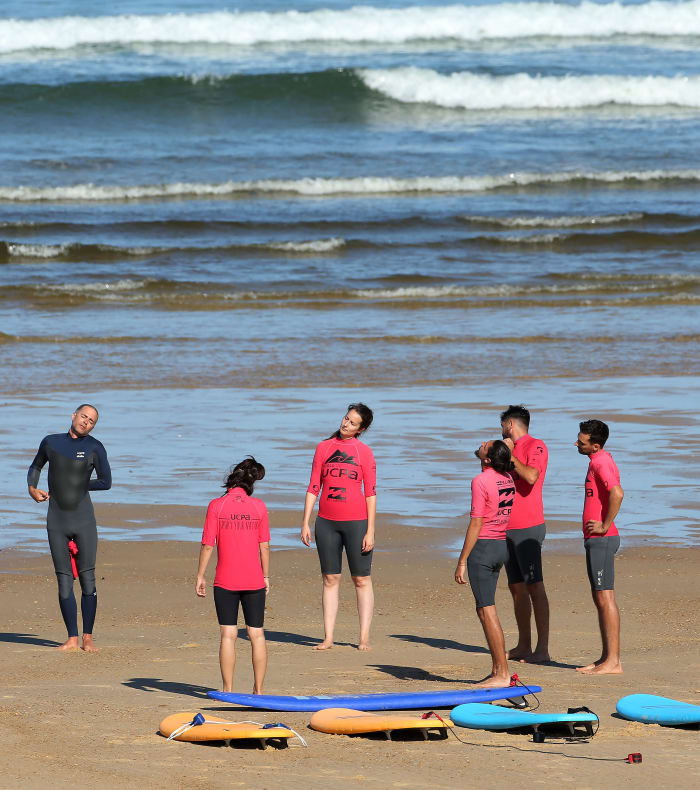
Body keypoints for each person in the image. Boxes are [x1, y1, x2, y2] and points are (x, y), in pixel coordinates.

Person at [27, 404, 112, 652]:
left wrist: (78, 484)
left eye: (92, 421)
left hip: (84, 520)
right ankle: (72, 637)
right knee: (64, 580)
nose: (87, 422)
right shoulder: (50, 442)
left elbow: (106, 482)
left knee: (88, 579)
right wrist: (32, 488)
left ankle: (88, 637)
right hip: (57, 520)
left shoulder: (95, 447)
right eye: (84, 416)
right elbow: (35, 467)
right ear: (73, 416)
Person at [301, 403, 376, 651]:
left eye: (352, 423)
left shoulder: (364, 452)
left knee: (361, 579)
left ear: (361, 429)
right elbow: (314, 487)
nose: (346, 424)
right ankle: (328, 637)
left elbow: (371, 494)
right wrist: (305, 522)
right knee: (330, 578)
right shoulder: (324, 447)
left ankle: (363, 637)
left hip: (357, 523)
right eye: (345, 418)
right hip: (327, 522)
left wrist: (371, 530)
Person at [196, 457, 270, 694]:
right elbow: (264, 546)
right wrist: (266, 576)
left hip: (226, 580)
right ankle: (258, 690)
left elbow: (208, 545)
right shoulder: (259, 507)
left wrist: (200, 575)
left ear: (231, 481)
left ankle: (228, 690)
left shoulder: (217, 506)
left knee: (228, 633)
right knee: (256, 633)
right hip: (254, 579)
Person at [455, 440, 516, 687]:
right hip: (501, 546)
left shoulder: (480, 481)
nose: (481, 444)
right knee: (487, 608)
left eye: (486, 446)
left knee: (486, 610)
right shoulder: (508, 478)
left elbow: (476, 522)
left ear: (487, 459)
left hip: (484, 548)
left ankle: (501, 673)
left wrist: (462, 560)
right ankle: (499, 670)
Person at [499, 404, 550, 663]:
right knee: (516, 588)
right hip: (506, 526)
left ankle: (543, 649)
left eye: (503, 426)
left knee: (534, 585)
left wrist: (510, 455)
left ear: (510, 424)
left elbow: (530, 476)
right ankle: (524, 645)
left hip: (528, 526)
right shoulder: (508, 450)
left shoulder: (535, 445)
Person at [575, 419, 624, 675]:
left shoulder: (600, 462)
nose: (576, 443)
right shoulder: (598, 459)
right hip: (597, 540)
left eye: (581, 442)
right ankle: (606, 657)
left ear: (595, 445)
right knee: (600, 598)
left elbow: (617, 493)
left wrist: (605, 525)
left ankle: (614, 661)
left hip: (602, 540)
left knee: (605, 598)